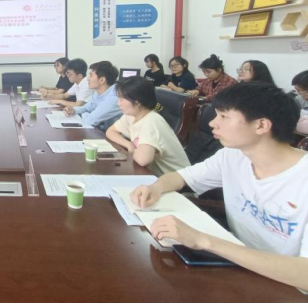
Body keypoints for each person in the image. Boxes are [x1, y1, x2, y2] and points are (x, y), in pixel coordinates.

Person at [129, 82, 307, 291]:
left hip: (287, 287)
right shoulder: (232, 155)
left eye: (224, 116)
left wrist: (203, 241)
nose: (213, 123)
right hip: (237, 267)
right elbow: (181, 177)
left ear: (261, 125)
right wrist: (156, 187)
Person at [106, 77, 190, 175]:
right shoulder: (132, 115)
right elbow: (110, 132)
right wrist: (128, 144)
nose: (118, 103)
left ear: (137, 101)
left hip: (177, 180)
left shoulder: (151, 121)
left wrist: (133, 150)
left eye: (122, 99)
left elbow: (143, 160)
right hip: (153, 175)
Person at [64, 61, 122, 131]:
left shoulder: (114, 96)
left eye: (91, 75)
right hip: (104, 131)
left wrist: (84, 113)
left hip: (116, 135)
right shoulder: (98, 92)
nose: (88, 79)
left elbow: (89, 121)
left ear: (102, 80)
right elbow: (87, 108)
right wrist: (74, 110)